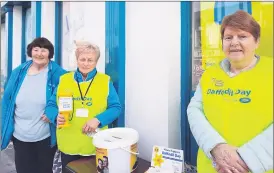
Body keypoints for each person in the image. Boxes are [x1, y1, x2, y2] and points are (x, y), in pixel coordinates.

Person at [187, 10, 273, 173]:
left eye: (242, 36)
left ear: (257, 41)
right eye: (228, 37)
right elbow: (195, 110)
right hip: (212, 166)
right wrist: (216, 147)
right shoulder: (210, 74)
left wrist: (246, 159)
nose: (234, 42)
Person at [1, 37, 67, 173]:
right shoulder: (19, 72)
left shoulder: (58, 74)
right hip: (20, 135)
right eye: (36, 50)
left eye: (44, 50)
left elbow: (68, 98)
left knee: (44, 170)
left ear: (50, 53)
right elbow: (7, 101)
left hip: (45, 136)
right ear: (30, 52)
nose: (39, 53)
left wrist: (53, 114)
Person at [53, 41, 121, 170]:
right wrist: (55, 116)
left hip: (94, 143)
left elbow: (116, 107)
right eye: (82, 59)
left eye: (90, 60)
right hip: (68, 143)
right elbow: (51, 104)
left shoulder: (105, 81)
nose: (85, 63)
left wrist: (98, 119)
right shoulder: (64, 79)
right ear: (77, 60)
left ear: (96, 62)